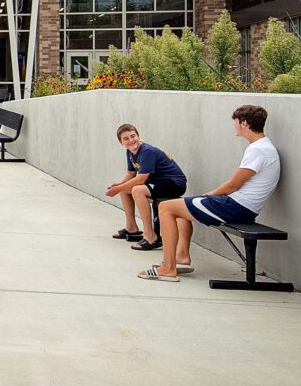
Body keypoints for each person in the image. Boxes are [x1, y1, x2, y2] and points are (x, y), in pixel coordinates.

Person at [139, 105, 281, 282]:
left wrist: (209, 195)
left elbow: (232, 186)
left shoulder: (258, 150)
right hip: (239, 206)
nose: (234, 126)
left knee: (166, 208)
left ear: (244, 123)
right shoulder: (262, 147)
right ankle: (181, 258)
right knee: (180, 206)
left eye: (235, 122)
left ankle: (168, 268)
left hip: (236, 207)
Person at [105, 124, 186, 250]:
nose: (131, 140)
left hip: (174, 183)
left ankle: (150, 236)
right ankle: (131, 227)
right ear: (121, 142)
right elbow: (131, 173)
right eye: (126, 138)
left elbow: (141, 179)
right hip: (158, 183)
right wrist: (119, 185)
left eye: (133, 136)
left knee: (137, 190)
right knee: (124, 188)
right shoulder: (130, 151)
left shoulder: (147, 151)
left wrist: (118, 188)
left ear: (138, 136)